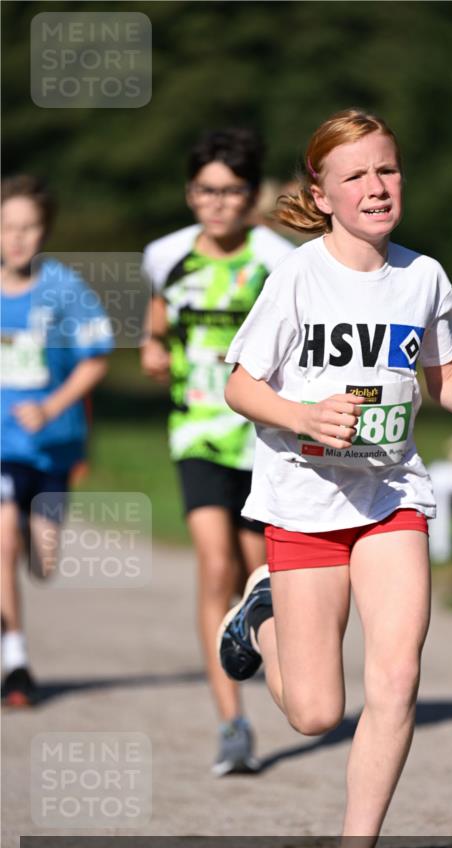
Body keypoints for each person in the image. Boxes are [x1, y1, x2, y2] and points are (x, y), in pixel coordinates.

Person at [216, 109, 452, 848]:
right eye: (356, 177)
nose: (376, 187)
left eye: (387, 170)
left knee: (397, 677)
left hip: (389, 501)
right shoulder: (298, 279)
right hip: (304, 506)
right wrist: (304, 417)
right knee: (313, 712)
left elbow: (438, 377)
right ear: (322, 194)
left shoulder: (424, 278)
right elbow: (239, 384)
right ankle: (261, 615)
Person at [140, 129, 292, 776]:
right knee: (213, 565)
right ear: (189, 193)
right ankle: (232, 723)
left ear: (251, 196)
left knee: (262, 574)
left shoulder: (279, 259)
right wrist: (153, 348)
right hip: (197, 432)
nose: (219, 204)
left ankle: (278, 671)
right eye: (206, 190)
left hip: (261, 439)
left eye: (232, 192)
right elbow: (158, 319)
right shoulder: (165, 255)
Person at [1, 175, 113, 707]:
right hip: (4, 446)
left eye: (28, 227)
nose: (17, 238)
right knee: (1, 540)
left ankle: (27, 526)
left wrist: (49, 406)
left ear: (44, 231)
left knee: (41, 564)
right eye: (8, 228)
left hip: (54, 445)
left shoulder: (65, 289)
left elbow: (96, 360)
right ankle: (16, 662)